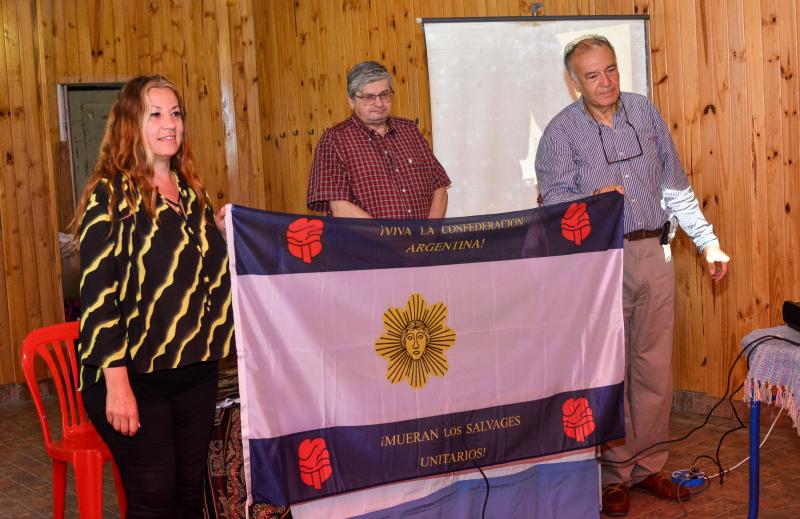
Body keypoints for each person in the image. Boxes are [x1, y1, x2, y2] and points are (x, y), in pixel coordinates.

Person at [535, 36, 730, 516]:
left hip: (655, 252)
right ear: (574, 81)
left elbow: (675, 185)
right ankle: (613, 476)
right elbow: (551, 203)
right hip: (600, 262)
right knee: (611, 370)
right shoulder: (561, 132)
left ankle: (650, 467)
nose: (606, 82)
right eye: (593, 75)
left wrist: (707, 242)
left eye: (612, 70)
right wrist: (591, 199)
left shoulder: (645, 113)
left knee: (654, 367)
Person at [75, 75, 234, 518]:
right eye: (156, 114)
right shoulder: (107, 196)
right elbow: (98, 295)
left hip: (194, 368)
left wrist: (220, 235)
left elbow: (197, 271)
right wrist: (118, 382)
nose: (171, 124)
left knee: (188, 495)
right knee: (153, 499)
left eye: (176, 113)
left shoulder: (190, 191)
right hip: (134, 375)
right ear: (131, 124)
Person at [307, 60, 451, 219]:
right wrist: (389, 239)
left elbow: (440, 188)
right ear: (351, 101)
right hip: (370, 244)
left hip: (420, 242)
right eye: (369, 97)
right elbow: (340, 207)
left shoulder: (410, 130)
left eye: (384, 94)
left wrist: (428, 234)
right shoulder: (335, 140)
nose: (379, 103)